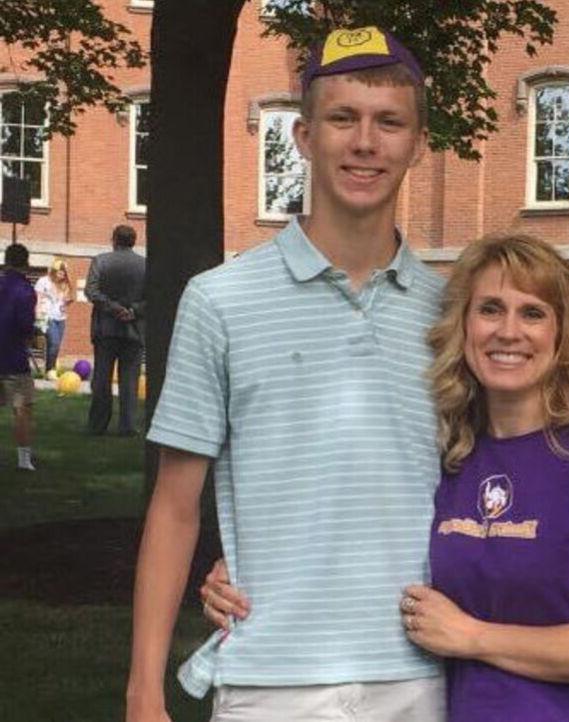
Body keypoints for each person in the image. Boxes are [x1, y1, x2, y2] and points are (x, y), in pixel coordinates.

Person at [205, 234, 569, 721]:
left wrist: (472, 636)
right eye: (490, 309)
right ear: (463, 327)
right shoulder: (450, 459)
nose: (509, 331)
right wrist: (250, 569)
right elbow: (358, 536)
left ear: (562, 336)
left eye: (533, 313)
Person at [126, 27, 446, 722]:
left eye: (389, 121)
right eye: (342, 118)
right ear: (303, 136)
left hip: (424, 672)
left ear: (418, 143)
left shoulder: (450, 315)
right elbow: (176, 507)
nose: (365, 142)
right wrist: (143, 690)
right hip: (269, 679)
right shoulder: (220, 300)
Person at [86, 225, 145, 436]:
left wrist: (112, 307)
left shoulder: (100, 261)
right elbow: (152, 297)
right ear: (134, 241)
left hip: (106, 329)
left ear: (114, 240)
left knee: (102, 379)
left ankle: (98, 424)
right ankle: (127, 426)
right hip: (134, 329)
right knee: (130, 381)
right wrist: (134, 310)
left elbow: (91, 291)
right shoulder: (145, 265)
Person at [0, 243, 38, 472]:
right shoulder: (25, 290)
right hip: (14, 357)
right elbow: (25, 325)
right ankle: (24, 460)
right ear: (26, 263)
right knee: (22, 408)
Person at [34, 256, 75, 374]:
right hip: (47, 317)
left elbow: (64, 301)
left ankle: (49, 369)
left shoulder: (64, 285)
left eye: (64, 274)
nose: (62, 276)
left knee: (56, 346)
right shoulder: (43, 281)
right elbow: (37, 299)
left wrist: (66, 303)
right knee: (54, 342)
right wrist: (37, 315)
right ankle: (50, 370)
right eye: (60, 273)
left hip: (60, 318)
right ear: (54, 271)